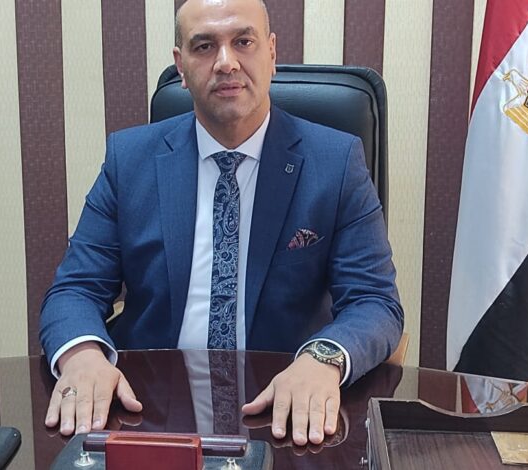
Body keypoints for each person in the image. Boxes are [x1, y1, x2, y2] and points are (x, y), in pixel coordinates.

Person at [40, 0, 403, 447]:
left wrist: (322, 360)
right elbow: (75, 288)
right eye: (204, 46)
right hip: (147, 414)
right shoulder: (129, 160)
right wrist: (82, 357)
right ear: (181, 65)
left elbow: (374, 301)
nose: (226, 62)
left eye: (243, 41)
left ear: (271, 52)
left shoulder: (335, 162)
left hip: (285, 414)